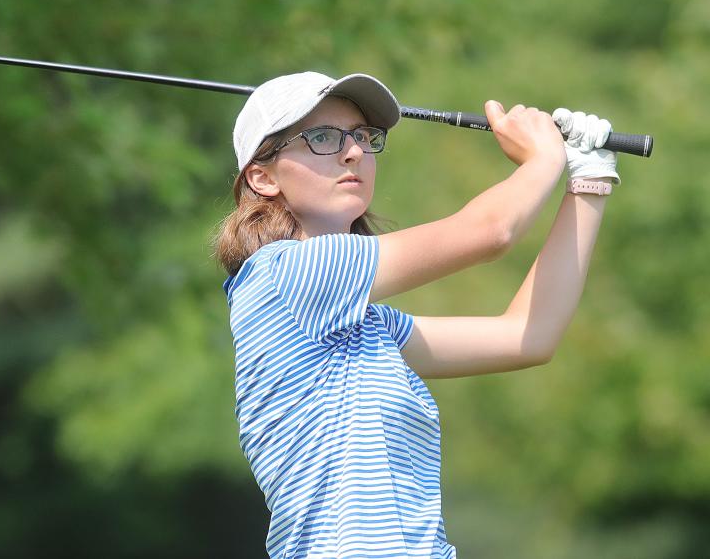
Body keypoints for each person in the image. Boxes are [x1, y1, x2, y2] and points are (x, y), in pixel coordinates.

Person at [212, 71, 618, 559]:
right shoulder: (286, 275)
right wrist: (546, 155)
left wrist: (588, 181)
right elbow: (491, 232)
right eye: (322, 137)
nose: (354, 152)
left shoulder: (365, 327)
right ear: (263, 177)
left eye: (362, 136)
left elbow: (527, 337)